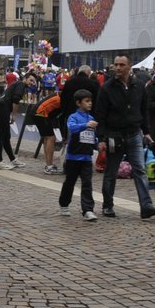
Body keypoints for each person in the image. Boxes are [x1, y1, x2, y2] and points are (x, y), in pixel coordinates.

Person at [96, 55, 155, 219]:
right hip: (114, 135)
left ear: (129, 66)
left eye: (121, 65)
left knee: (140, 170)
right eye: (116, 64)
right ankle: (107, 205)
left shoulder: (139, 86)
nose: (117, 68)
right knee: (111, 172)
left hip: (134, 134)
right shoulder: (107, 88)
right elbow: (100, 115)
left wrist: (146, 131)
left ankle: (146, 206)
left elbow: (143, 110)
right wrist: (102, 139)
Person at [57, 89, 99, 221]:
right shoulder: (73, 117)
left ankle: (87, 209)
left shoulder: (91, 118)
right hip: (73, 157)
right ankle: (64, 204)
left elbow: (92, 137)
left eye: (90, 101)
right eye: (87, 101)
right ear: (78, 103)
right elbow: (72, 128)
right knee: (70, 182)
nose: (90, 103)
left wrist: (97, 143)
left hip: (86, 156)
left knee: (87, 183)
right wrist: (85, 125)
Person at [0, 73, 23, 169]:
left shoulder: (15, 85)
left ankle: (12, 159)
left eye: (34, 81)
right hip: (1, 109)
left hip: (0, 108)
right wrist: (14, 115)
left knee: (5, 135)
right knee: (1, 135)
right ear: (24, 78)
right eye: (30, 80)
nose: (32, 82)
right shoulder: (20, 84)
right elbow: (16, 99)